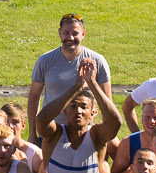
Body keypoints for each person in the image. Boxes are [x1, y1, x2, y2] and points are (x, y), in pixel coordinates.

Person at [25, 14, 110, 145]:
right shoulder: (45, 61)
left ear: (83, 34)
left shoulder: (97, 61)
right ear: (59, 33)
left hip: (84, 133)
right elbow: (34, 97)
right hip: (51, 132)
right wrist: (32, 134)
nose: (70, 38)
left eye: (75, 33)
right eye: (66, 32)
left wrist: (105, 134)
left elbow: (107, 101)